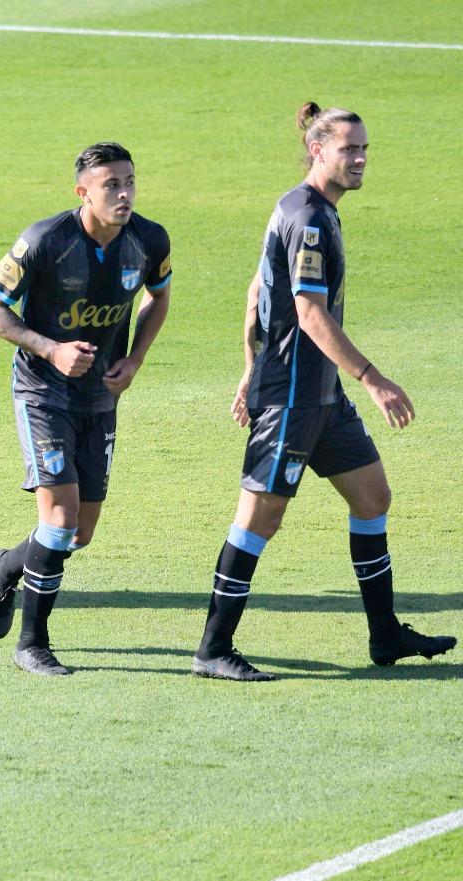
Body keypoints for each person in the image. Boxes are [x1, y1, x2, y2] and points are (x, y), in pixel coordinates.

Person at [192, 104, 456, 681]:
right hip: (292, 395)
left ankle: (385, 635)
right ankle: (213, 649)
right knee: (259, 521)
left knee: (372, 497)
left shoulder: (313, 210)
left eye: (364, 149)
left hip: (321, 395)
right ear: (318, 150)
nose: (359, 159)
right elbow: (308, 313)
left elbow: (258, 289)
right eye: (348, 149)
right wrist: (373, 378)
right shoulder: (308, 217)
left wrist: (248, 365)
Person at [0, 143, 172, 675]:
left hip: (99, 396)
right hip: (42, 391)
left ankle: (8, 564)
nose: (124, 193)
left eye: (130, 181)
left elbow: (159, 295)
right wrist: (52, 349)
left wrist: (135, 357)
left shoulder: (149, 239)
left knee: (79, 533)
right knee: (59, 522)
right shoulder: (45, 241)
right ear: (82, 192)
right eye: (111, 185)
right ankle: (31, 645)